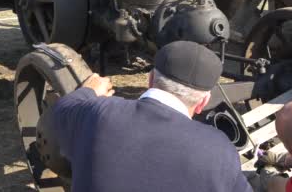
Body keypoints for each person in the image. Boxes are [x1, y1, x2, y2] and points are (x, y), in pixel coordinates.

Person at [52, 40, 252, 192]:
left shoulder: (99, 114)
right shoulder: (219, 149)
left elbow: (62, 109)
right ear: (202, 102)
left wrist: (89, 91)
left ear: (150, 79)